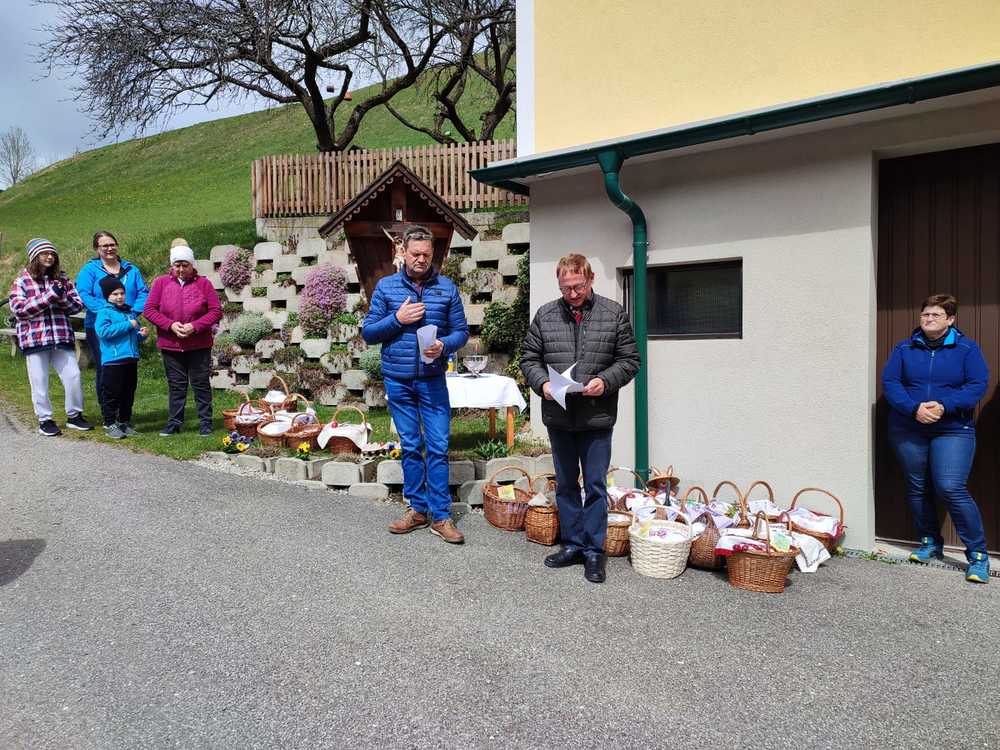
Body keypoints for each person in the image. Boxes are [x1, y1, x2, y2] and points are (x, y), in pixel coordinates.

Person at [520, 253, 640, 583]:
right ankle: (572, 544)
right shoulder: (545, 315)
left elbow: (630, 360)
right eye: (566, 288)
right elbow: (529, 358)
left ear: (590, 280)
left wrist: (606, 381)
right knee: (566, 484)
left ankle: (594, 551)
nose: (572, 294)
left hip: (597, 416)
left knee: (596, 486)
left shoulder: (613, 313)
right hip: (559, 416)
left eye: (578, 287)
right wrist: (542, 384)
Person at [362, 224, 469, 544]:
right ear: (403, 253)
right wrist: (398, 319)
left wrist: (444, 345)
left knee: (438, 446)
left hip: (433, 380)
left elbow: (461, 332)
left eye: (426, 254)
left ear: (433, 254)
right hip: (398, 380)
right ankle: (417, 509)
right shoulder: (386, 288)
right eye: (415, 254)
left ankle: (441, 516)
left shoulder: (446, 288)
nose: (421, 259)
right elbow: (369, 333)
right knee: (410, 445)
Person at [882, 294, 991, 584]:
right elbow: (891, 382)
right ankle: (930, 541)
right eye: (925, 315)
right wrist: (913, 409)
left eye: (936, 315)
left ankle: (978, 555)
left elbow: (977, 384)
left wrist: (944, 406)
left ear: (950, 320)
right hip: (909, 426)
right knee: (917, 486)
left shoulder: (967, 348)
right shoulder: (904, 348)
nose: (928, 319)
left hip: (953, 428)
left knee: (950, 487)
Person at [9, 238, 95, 436]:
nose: (49, 257)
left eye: (52, 254)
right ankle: (45, 420)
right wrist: (49, 296)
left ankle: (75, 416)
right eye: (44, 254)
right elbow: (19, 309)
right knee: (39, 380)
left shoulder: (62, 279)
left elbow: (76, 306)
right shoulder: (22, 280)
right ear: (34, 257)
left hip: (61, 335)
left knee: (73, 376)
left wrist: (60, 295)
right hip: (34, 338)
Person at [143, 242, 222, 436]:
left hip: (199, 344)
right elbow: (149, 310)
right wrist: (170, 325)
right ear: (172, 265)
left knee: (200, 383)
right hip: (171, 344)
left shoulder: (203, 284)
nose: (180, 269)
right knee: (176, 385)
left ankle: (205, 423)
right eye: (176, 265)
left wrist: (194, 326)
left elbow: (215, 311)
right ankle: (174, 423)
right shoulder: (161, 283)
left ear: (192, 265)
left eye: (184, 265)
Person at [75, 231, 149, 424]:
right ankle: (108, 413)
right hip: (100, 324)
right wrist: (108, 311)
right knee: (106, 367)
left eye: (112, 244)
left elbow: (143, 292)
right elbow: (84, 293)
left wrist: (132, 311)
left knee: (126, 368)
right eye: (104, 245)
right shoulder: (90, 270)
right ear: (97, 249)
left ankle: (123, 415)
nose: (109, 248)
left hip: (128, 321)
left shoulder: (131, 269)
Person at [94, 276, 148, 439]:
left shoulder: (129, 312)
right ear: (107, 296)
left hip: (130, 359)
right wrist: (128, 325)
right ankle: (110, 423)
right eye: (115, 294)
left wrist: (141, 335)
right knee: (112, 394)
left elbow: (132, 336)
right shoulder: (104, 313)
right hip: (113, 361)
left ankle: (124, 421)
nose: (119, 297)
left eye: (122, 293)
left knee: (128, 392)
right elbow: (103, 332)